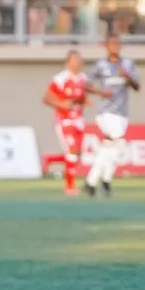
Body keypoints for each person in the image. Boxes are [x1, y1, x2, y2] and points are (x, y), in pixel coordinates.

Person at [84, 35, 140, 197]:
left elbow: (137, 86)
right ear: (106, 46)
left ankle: (95, 182)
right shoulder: (100, 65)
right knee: (119, 143)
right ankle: (101, 181)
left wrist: (127, 77)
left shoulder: (128, 65)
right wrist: (99, 92)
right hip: (106, 111)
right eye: (111, 44)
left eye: (117, 44)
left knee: (111, 147)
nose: (114, 47)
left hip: (122, 112)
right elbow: (86, 84)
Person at [43, 50, 87, 196]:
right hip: (64, 120)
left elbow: (82, 97)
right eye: (74, 60)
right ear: (68, 62)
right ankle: (69, 186)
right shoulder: (60, 79)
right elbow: (46, 98)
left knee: (77, 155)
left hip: (78, 120)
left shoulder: (82, 79)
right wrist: (62, 104)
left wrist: (85, 101)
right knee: (72, 151)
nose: (77, 63)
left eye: (79, 60)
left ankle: (51, 159)